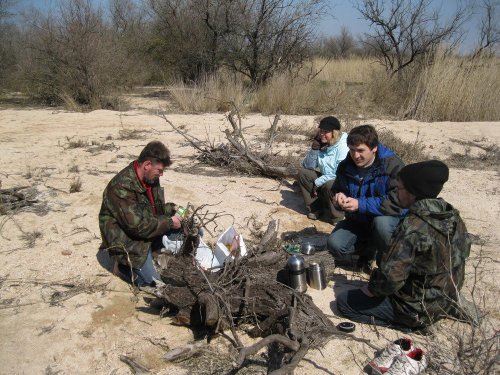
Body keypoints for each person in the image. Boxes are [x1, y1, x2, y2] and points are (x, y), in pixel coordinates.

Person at [335, 160, 472, 331]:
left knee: (344, 302)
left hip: (417, 309)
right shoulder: (453, 217)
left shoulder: (413, 226)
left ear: (412, 193)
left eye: (399, 189)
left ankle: (412, 326)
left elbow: (390, 279)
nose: (396, 194)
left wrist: (371, 289)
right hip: (448, 297)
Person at [98, 141, 182, 287]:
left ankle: (154, 251)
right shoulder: (121, 187)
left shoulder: (150, 178)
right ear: (147, 165)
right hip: (127, 241)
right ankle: (121, 266)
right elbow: (137, 227)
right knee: (154, 283)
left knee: (192, 231)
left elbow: (155, 209)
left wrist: (173, 209)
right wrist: (169, 222)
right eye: (160, 170)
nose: (161, 174)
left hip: (146, 230)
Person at [327, 124, 406, 266]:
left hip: (388, 222)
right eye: (351, 150)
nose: (355, 155)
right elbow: (336, 189)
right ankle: (370, 251)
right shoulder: (345, 166)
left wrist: (360, 204)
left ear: (374, 147)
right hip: (359, 222)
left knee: (381, 224)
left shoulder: (393, 166)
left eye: (360, 150)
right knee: (335, 245)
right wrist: (338, 198)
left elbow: (399, 202)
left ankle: (389, 262)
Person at [298, 116, 349, 222]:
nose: (322, 134)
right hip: (326, 178)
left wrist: (317, 182)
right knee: (303, 174)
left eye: (326, 131)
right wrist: (314, 149)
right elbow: (307, 166)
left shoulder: (343, 146)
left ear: (334, 132)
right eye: (321, 131)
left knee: (330, 184)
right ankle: (316, 208)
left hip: (343, 182)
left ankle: (338, 217)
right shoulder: (323, 143)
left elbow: (338, 172)